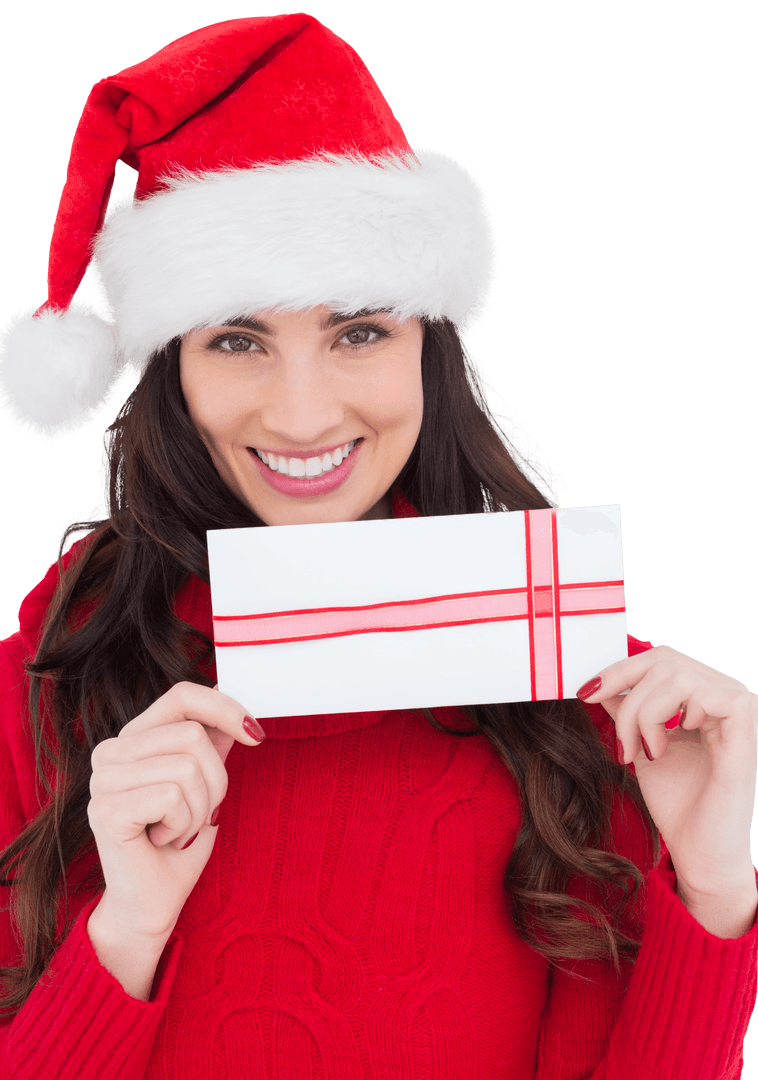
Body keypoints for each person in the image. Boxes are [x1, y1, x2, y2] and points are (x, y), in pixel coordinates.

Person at [0, 13, 756, 1079]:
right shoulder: (45, 686)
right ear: (171, 371)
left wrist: (710, 881)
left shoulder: (583, 691)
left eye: (358, 330)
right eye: (237, 339)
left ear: (427, 352)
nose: (303, 415)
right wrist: (124, 933)